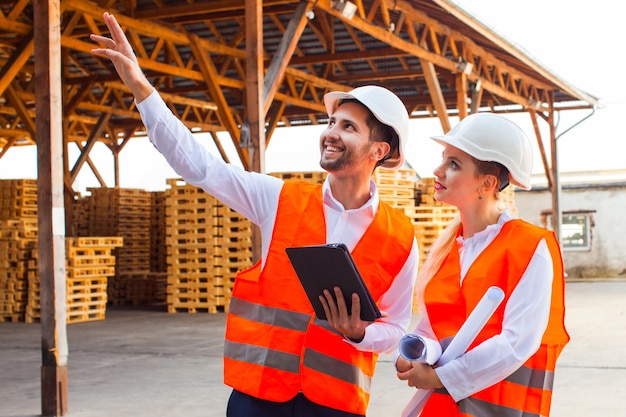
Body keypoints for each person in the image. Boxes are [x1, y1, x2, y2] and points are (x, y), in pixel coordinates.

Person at [91, 12, 419, 417]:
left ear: (379, 151)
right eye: (331, 121)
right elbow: (200, 166)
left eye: (348, 127)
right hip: (259, 396)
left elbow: (398, 328)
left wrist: (359, 334)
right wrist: (142, 89)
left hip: (335, 403)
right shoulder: (278, 198)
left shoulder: (401, 236)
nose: (330, 132)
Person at [395, 113, 569, 416]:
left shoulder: (530, 247)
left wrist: (440, 377)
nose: (437, 171)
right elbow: (433, 326)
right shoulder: (447, 250)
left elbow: (519, 341)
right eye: (443, 159)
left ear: (486, 183)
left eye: (454, 164)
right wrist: (414, 354)